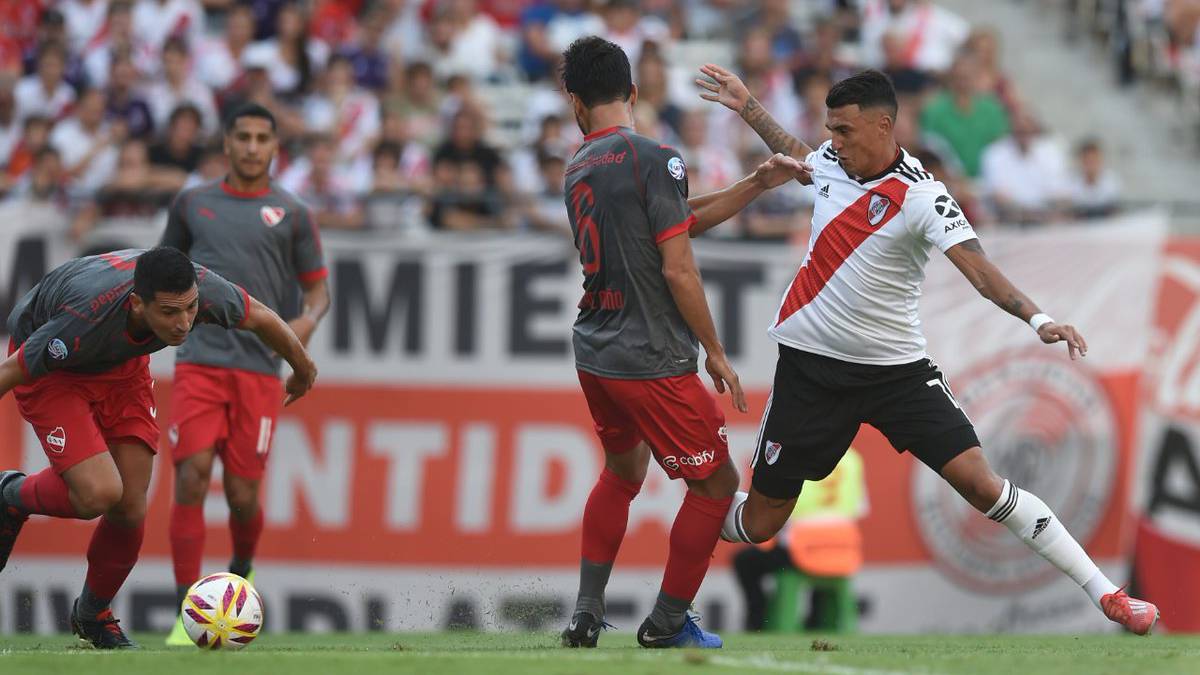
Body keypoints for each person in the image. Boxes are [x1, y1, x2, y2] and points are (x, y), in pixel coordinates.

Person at [696, 64, 1160, 635]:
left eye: (843, 130)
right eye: (830, 130)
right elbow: (798, 154)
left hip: (895, 373)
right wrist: (748, 105)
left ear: (883, 125)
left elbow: (978, 269)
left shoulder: (921, 195)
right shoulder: (833, 162)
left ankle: (1108, 594)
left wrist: (1038, 319)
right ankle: (699, 514)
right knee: (760, 523)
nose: (833, 141)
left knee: (982, 483)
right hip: (811, 369)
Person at [556, 36, 810, 651]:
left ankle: (586, 612)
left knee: (622, 472)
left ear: (575, 103)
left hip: (596, 350)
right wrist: (715, 351)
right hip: (651, 356)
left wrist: (754, 184)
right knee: (717, 486)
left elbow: (676, 218)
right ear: (633, 92)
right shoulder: (653, 156)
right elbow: (678, 266)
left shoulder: (579, 166)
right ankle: (668, 622)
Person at [0, 246, 318, 649]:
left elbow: (259, 316)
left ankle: (93, 615)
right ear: (137, 304)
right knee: (98, 493)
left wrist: (302, 367)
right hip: (54, 371)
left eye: (190, 309)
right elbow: (11, 370)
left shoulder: (202, 289)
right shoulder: (83, 319)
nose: (184, 323)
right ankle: (10, 495)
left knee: (130, 506)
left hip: (122, 369)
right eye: (169, 313)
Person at [159, 103, 330, 646]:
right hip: (200, 359)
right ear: (227, 144)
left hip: (258, 369)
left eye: (262, 138)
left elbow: (319, 293)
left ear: (276, 146)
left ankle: (240, 569)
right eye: (244, 137)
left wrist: (299, 328)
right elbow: (160, 274)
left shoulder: (293, 213)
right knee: (191, 476)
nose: (253, 147)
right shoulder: (193, 203)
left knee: (242, 495)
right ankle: (188, 611)